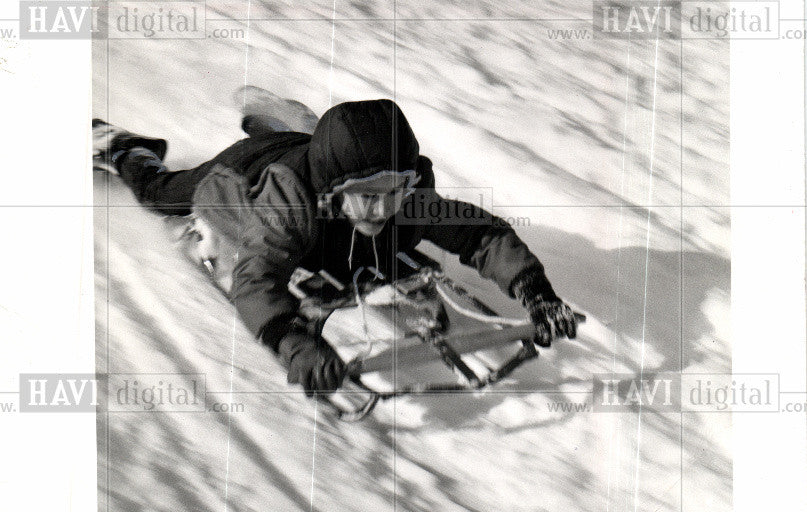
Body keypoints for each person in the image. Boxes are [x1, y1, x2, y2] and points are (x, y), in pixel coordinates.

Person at [93, 94, 577, 399]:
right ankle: (123, 148)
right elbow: (256, 280)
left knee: (364, 208)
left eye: (394, 192)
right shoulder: (291, 208)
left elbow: (479, 235)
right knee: (161, 196)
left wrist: (536, 292)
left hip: (314, 155)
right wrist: (296, 345)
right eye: (362, 198)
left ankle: (289, 126)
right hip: (239, 180)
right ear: (330, 192)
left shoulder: (407, 200)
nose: (379, 209)